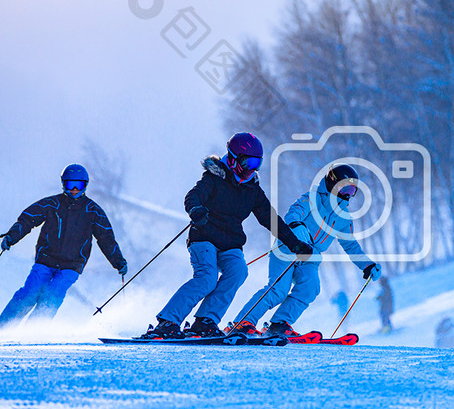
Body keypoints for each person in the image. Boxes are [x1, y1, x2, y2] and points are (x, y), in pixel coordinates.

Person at [140, 133, 314, 340]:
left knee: (238, 271)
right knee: (206, 278)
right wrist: (196, 210)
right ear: (233, 158)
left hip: (230, 242)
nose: (252, 168)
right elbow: (193, 196)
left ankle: (205, 321)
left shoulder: (252, 189)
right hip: (204, 236)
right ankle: (168, 322)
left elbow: (269, 218)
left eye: (257, 162)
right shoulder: (214, 178)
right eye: (248, 161)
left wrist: (294, 244)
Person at [230, 163, 381, 338]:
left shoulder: (344, 217)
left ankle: (279, 324)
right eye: (345, 188)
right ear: (333, 184)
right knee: (278, 290)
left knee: (311, 287)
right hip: (289, 248)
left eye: (352, 191)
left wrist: (367, 265)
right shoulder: (312, 198)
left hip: (311, 256)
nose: (348, 195)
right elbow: (294, 212)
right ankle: (243, 322)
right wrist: (296, 225)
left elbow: (351, 246)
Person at [0, 164, 127, 329]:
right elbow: (27, 220)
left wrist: (118, 261)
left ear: (85, 185)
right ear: (63, 184)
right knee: (29, 294)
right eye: (70, 184)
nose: (74, 189)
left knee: (52, 295)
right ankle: (4, 327)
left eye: (79, 185)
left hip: (71, 265)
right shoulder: (52, 204)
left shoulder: (93, 211)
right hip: (46, 261)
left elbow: (106, 238)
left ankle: (33, 330)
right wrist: (11, 237)